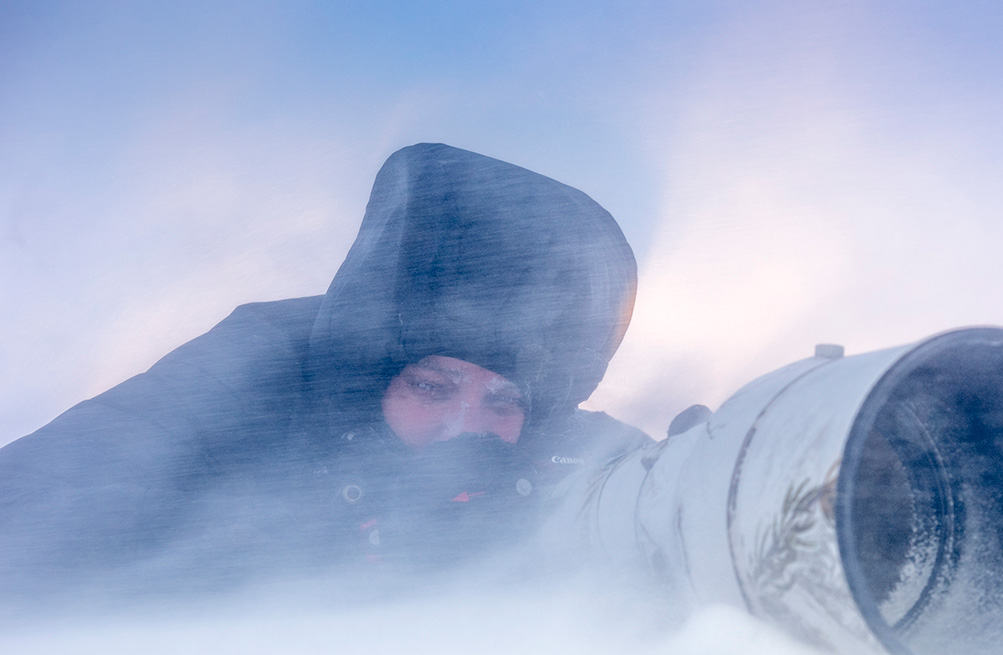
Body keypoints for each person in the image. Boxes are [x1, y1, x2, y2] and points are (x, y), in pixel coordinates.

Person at [0, 143, 651, 598]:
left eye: (503, 400)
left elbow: (673, 493)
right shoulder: (249, 379)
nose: (464, 426)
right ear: (373, 380)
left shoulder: (555, 456)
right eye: (432, 385)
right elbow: (62, 489)